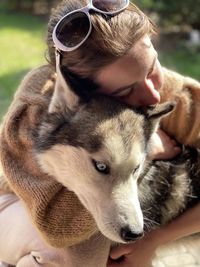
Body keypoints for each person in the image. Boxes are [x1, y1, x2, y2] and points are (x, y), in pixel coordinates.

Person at [0, 0, 200, 266]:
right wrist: (150, 147)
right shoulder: (34, 113)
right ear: (83, 95)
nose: (153, 95)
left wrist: (155, 239)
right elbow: (58, 227)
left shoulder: (161, 89)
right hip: (18, 207)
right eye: (124, 92)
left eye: (152, 68)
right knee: (76, 255)